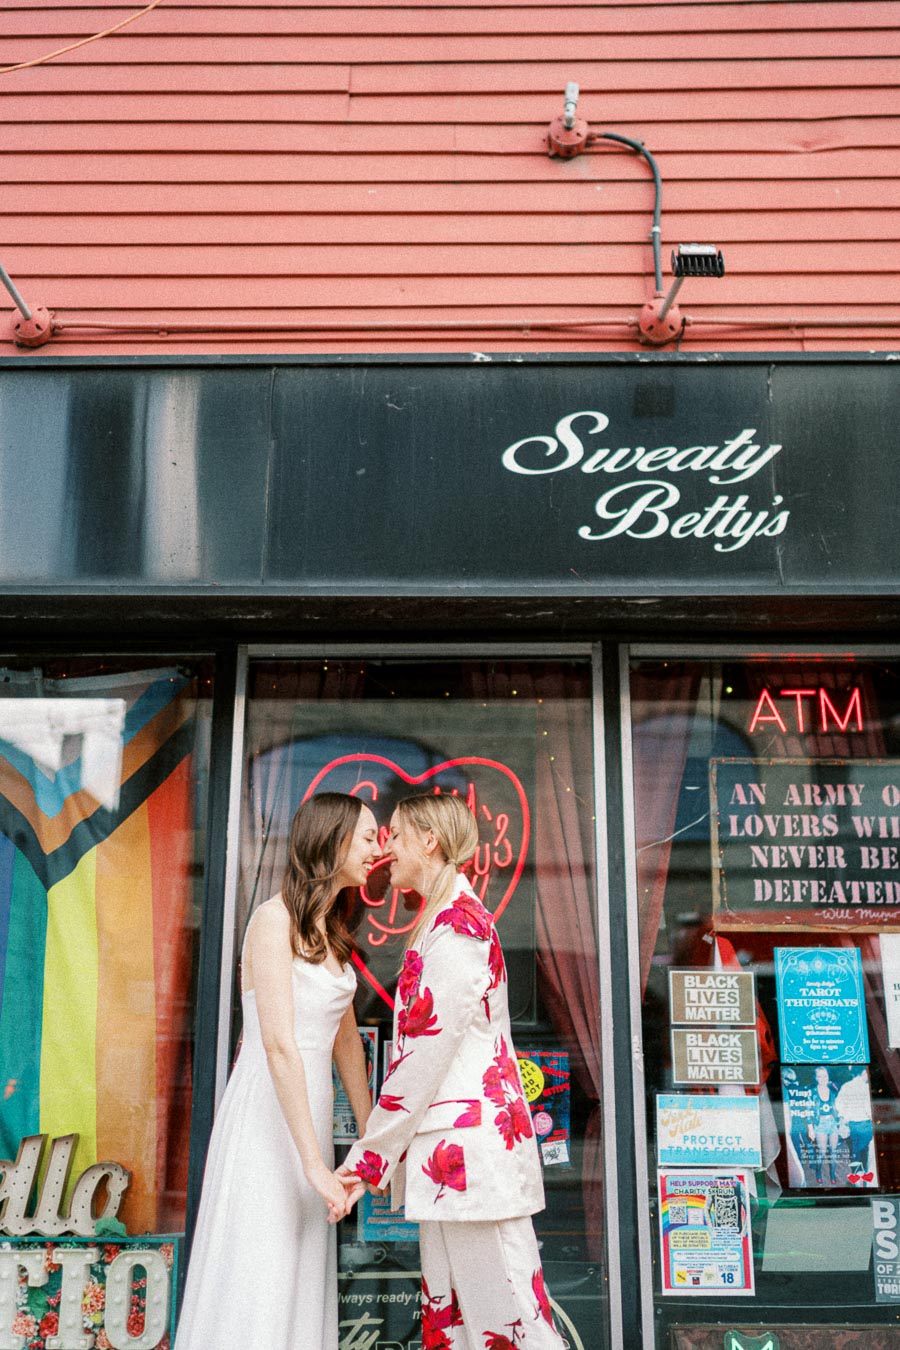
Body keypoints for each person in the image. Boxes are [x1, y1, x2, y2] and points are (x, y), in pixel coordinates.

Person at [338, 792, 564, 1349]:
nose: (386, 848)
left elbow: (424, 1057)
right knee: (468, 1321)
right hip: (457, 1163)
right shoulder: (445, 920)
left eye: (395, 833)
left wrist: (368, 1161)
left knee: (508, 1323)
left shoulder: (457, 926)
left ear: (428, 841)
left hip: (469, 1160)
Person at [175, 792, 379, 1350]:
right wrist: (314, 1163)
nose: (376, 849)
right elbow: (279, 1045)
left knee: (297, 1269)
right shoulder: (272, 921)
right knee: (259, 1268)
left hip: (307, 1114)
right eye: (367, 836)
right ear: (332, 840)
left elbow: (349, 1051)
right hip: (268, 1119)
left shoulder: (332, 934)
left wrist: (370, 1141)